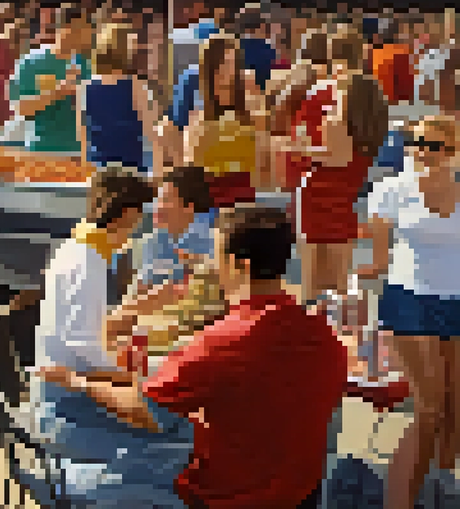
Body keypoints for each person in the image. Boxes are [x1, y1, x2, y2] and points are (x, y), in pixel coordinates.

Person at [54, 204, 345, 509]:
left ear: (239, 266)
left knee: (72, 483)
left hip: (223, 493)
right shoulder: (324, 336)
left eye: (216, 255)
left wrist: (78, 382)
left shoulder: (225, 339)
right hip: (296, 491)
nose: (212, 266)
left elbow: (146, 410)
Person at [27, 167, 196, 507]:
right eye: (137, 220)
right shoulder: (87, 263)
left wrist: (137, 308)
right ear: (127, 215)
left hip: (59, 399)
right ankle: (71, 487)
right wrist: (136, 381)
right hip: (66, 412)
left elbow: (85, 332)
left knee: (175, 436)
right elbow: (85, 350)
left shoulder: (77, 249)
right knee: (176, 450)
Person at [358, 115, 460, 507]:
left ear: (452, 152)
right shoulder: (389, 191)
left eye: (435, 146)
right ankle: (403, 499)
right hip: (410, 298)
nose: (423, 152)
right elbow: (380, 261)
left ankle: (441, 489)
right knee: (430, 406)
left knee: (455, 406)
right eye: (417, 143)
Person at [286, 38, 389, 302]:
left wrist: (304, 150)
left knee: (311, 282)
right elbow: (346, 160)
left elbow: (333, 158)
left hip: (316, 195)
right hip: (344, 200)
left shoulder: (335, 122)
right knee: (340, 284)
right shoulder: (368, 132)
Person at [184, 35, 270, 209]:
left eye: (231, 64)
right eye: (221, 64)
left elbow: (264, 153)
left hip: (244, 195)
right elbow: (190, 158)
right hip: (209, 196)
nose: (226, 71)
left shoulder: (250, 100)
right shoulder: (197, 104)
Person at [9, 5, 93, 153]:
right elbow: (21, 108)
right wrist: (58, 92)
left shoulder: (86, 65)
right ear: (67, 28)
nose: (89, 35)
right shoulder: (31, 62)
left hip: (79, 152)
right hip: (42, 150)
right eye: (83, 29)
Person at [77, 23, 160, 171]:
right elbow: (152, 132)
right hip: (131, 167)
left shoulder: (85, 87)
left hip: (99, 167)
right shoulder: (136, 86)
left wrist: (86, 167)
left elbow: (83, 135)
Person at [131, 166, 216, 293]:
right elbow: (143, 289)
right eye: (157, 200)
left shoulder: (213, 242)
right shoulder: (154, 242)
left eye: (166, 200)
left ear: (189, 207)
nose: (157, 207)